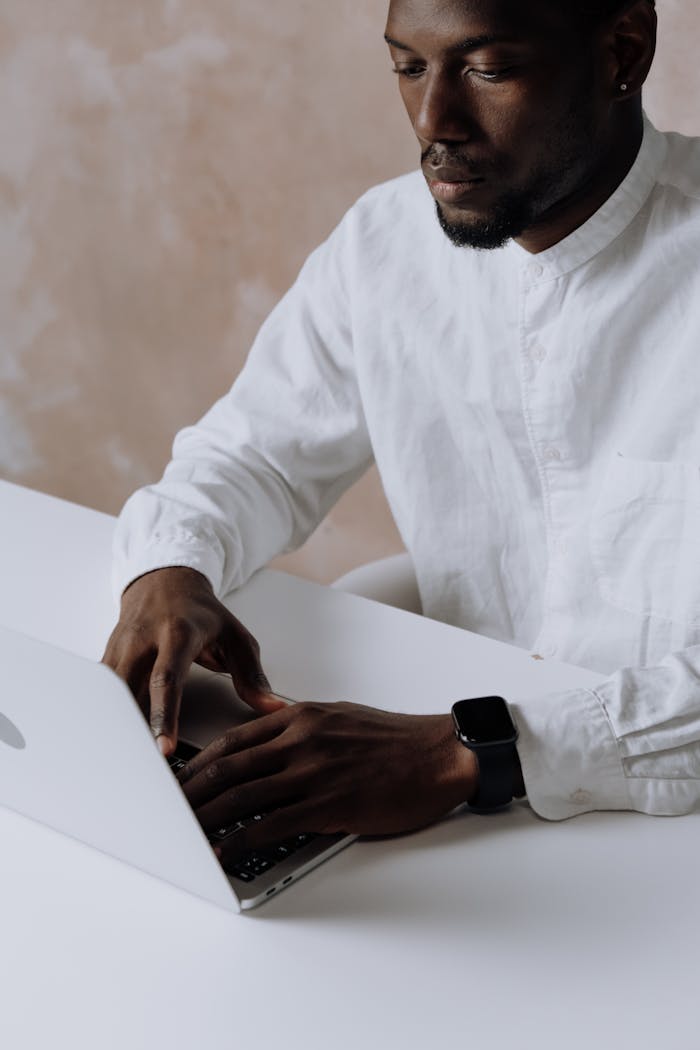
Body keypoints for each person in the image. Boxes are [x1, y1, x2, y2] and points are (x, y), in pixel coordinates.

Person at [103, 0, 700, 868]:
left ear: (623, 52)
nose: (433, 124)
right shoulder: (383, 244)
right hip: (450, 808)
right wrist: (169, 566)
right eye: (408, 68)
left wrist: (470, 752)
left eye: (488, 70)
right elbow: (256, 453)